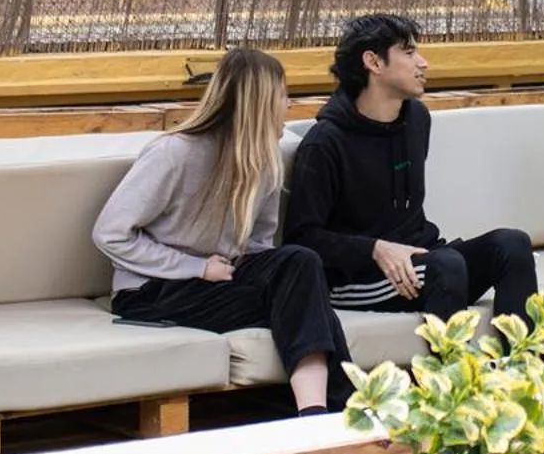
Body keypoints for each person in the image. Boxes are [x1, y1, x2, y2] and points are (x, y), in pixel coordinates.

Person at [95, 47, 352, 415]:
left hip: (220, 282)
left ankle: (316, 413)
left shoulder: (265, 161)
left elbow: (260, 245)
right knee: (301, 295)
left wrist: (263, 276)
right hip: (150, 292)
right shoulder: (174, 153)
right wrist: (195, 267)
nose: (289, 105)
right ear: (260, 102)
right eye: (284, 95)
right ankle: (341, 411)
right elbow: (111, 233)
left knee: (300, 267)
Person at [283, 13, 538, 321]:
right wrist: (375, 249)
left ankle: (519, 364)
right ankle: (449, 370)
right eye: (408, 51)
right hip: (359, 277)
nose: (423, 62)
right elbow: (301, 237)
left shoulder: (417, 118)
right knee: (446, 267)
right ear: (374, 63)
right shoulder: (324, 143)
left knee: (512, 244)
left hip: (423, 260)